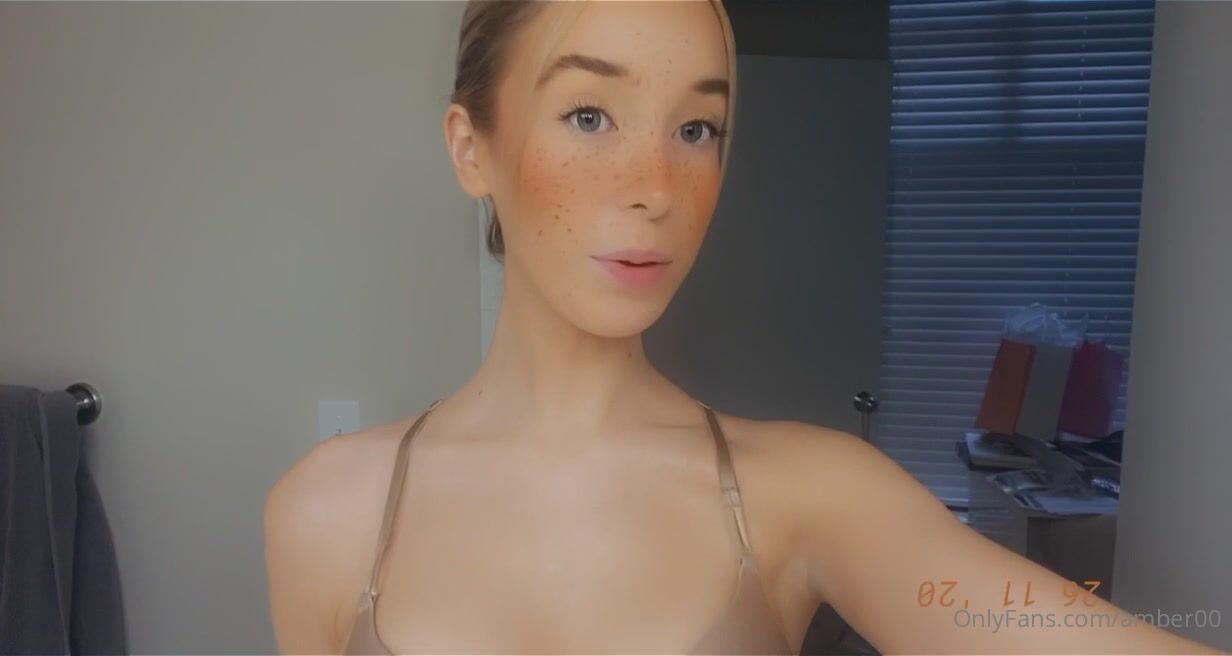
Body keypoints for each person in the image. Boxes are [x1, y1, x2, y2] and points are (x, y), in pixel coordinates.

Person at [262, 1, 1225, 654]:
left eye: (696, 129)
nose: (655, 188)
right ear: (472, 147)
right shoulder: (326, 514)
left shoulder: (812, 492)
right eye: (590, 115)